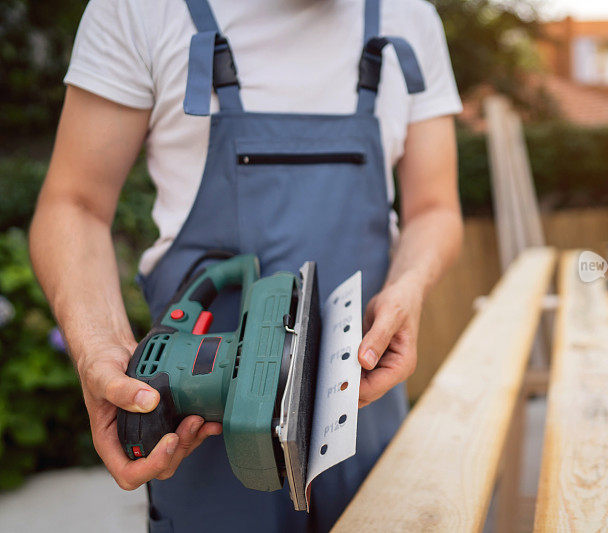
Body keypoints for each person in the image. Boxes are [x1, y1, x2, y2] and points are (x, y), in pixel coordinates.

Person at [30, 0, 463, 530]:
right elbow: (74, 204)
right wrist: (97, 345)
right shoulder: (139, 9)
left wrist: (410, 284)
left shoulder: (409, 17)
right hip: (201, 432)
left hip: (362, 411)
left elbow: (435, 209)